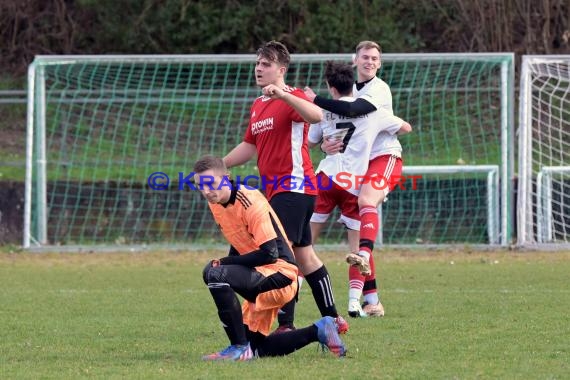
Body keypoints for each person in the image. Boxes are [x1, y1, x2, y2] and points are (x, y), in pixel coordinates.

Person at [223, 40, 347, 333]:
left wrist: (283, 94)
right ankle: (333, 318)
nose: (258, 69)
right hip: (277, 191)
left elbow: (316, 116)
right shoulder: (258, 105)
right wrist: (219, 165)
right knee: (305, 257)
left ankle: (286, 325)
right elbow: (248, 146)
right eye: (257, 64)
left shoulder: (292, 96)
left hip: (294, 188)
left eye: (265, 64)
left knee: (280, 255)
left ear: (281, 69)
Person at [195, 155, 346, 361]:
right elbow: (239, 241)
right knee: (257, 348)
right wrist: (230, 271)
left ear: (226, 178)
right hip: (262, 274)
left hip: (280, 275)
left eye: (210, 184)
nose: (206, 191)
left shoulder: (249, 201)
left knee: (214, 273)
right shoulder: (216, 203)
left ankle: (237, 347)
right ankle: (318, 330)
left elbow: (270, 253)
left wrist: (226, 265)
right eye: (199, 186)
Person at [305, 41, 412, 317]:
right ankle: (369, 300)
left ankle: (361, 261)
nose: (370, 61)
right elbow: (330, 126)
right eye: (365, 57)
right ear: (354, 61)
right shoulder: (352, 94)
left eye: (375, 58)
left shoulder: (379, 90)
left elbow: (350, 112)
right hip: (352, 172)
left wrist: (312, 99)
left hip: (378, 158)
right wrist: (327, 143)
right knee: (358, 225)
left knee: (364, 204)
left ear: (380, 63)